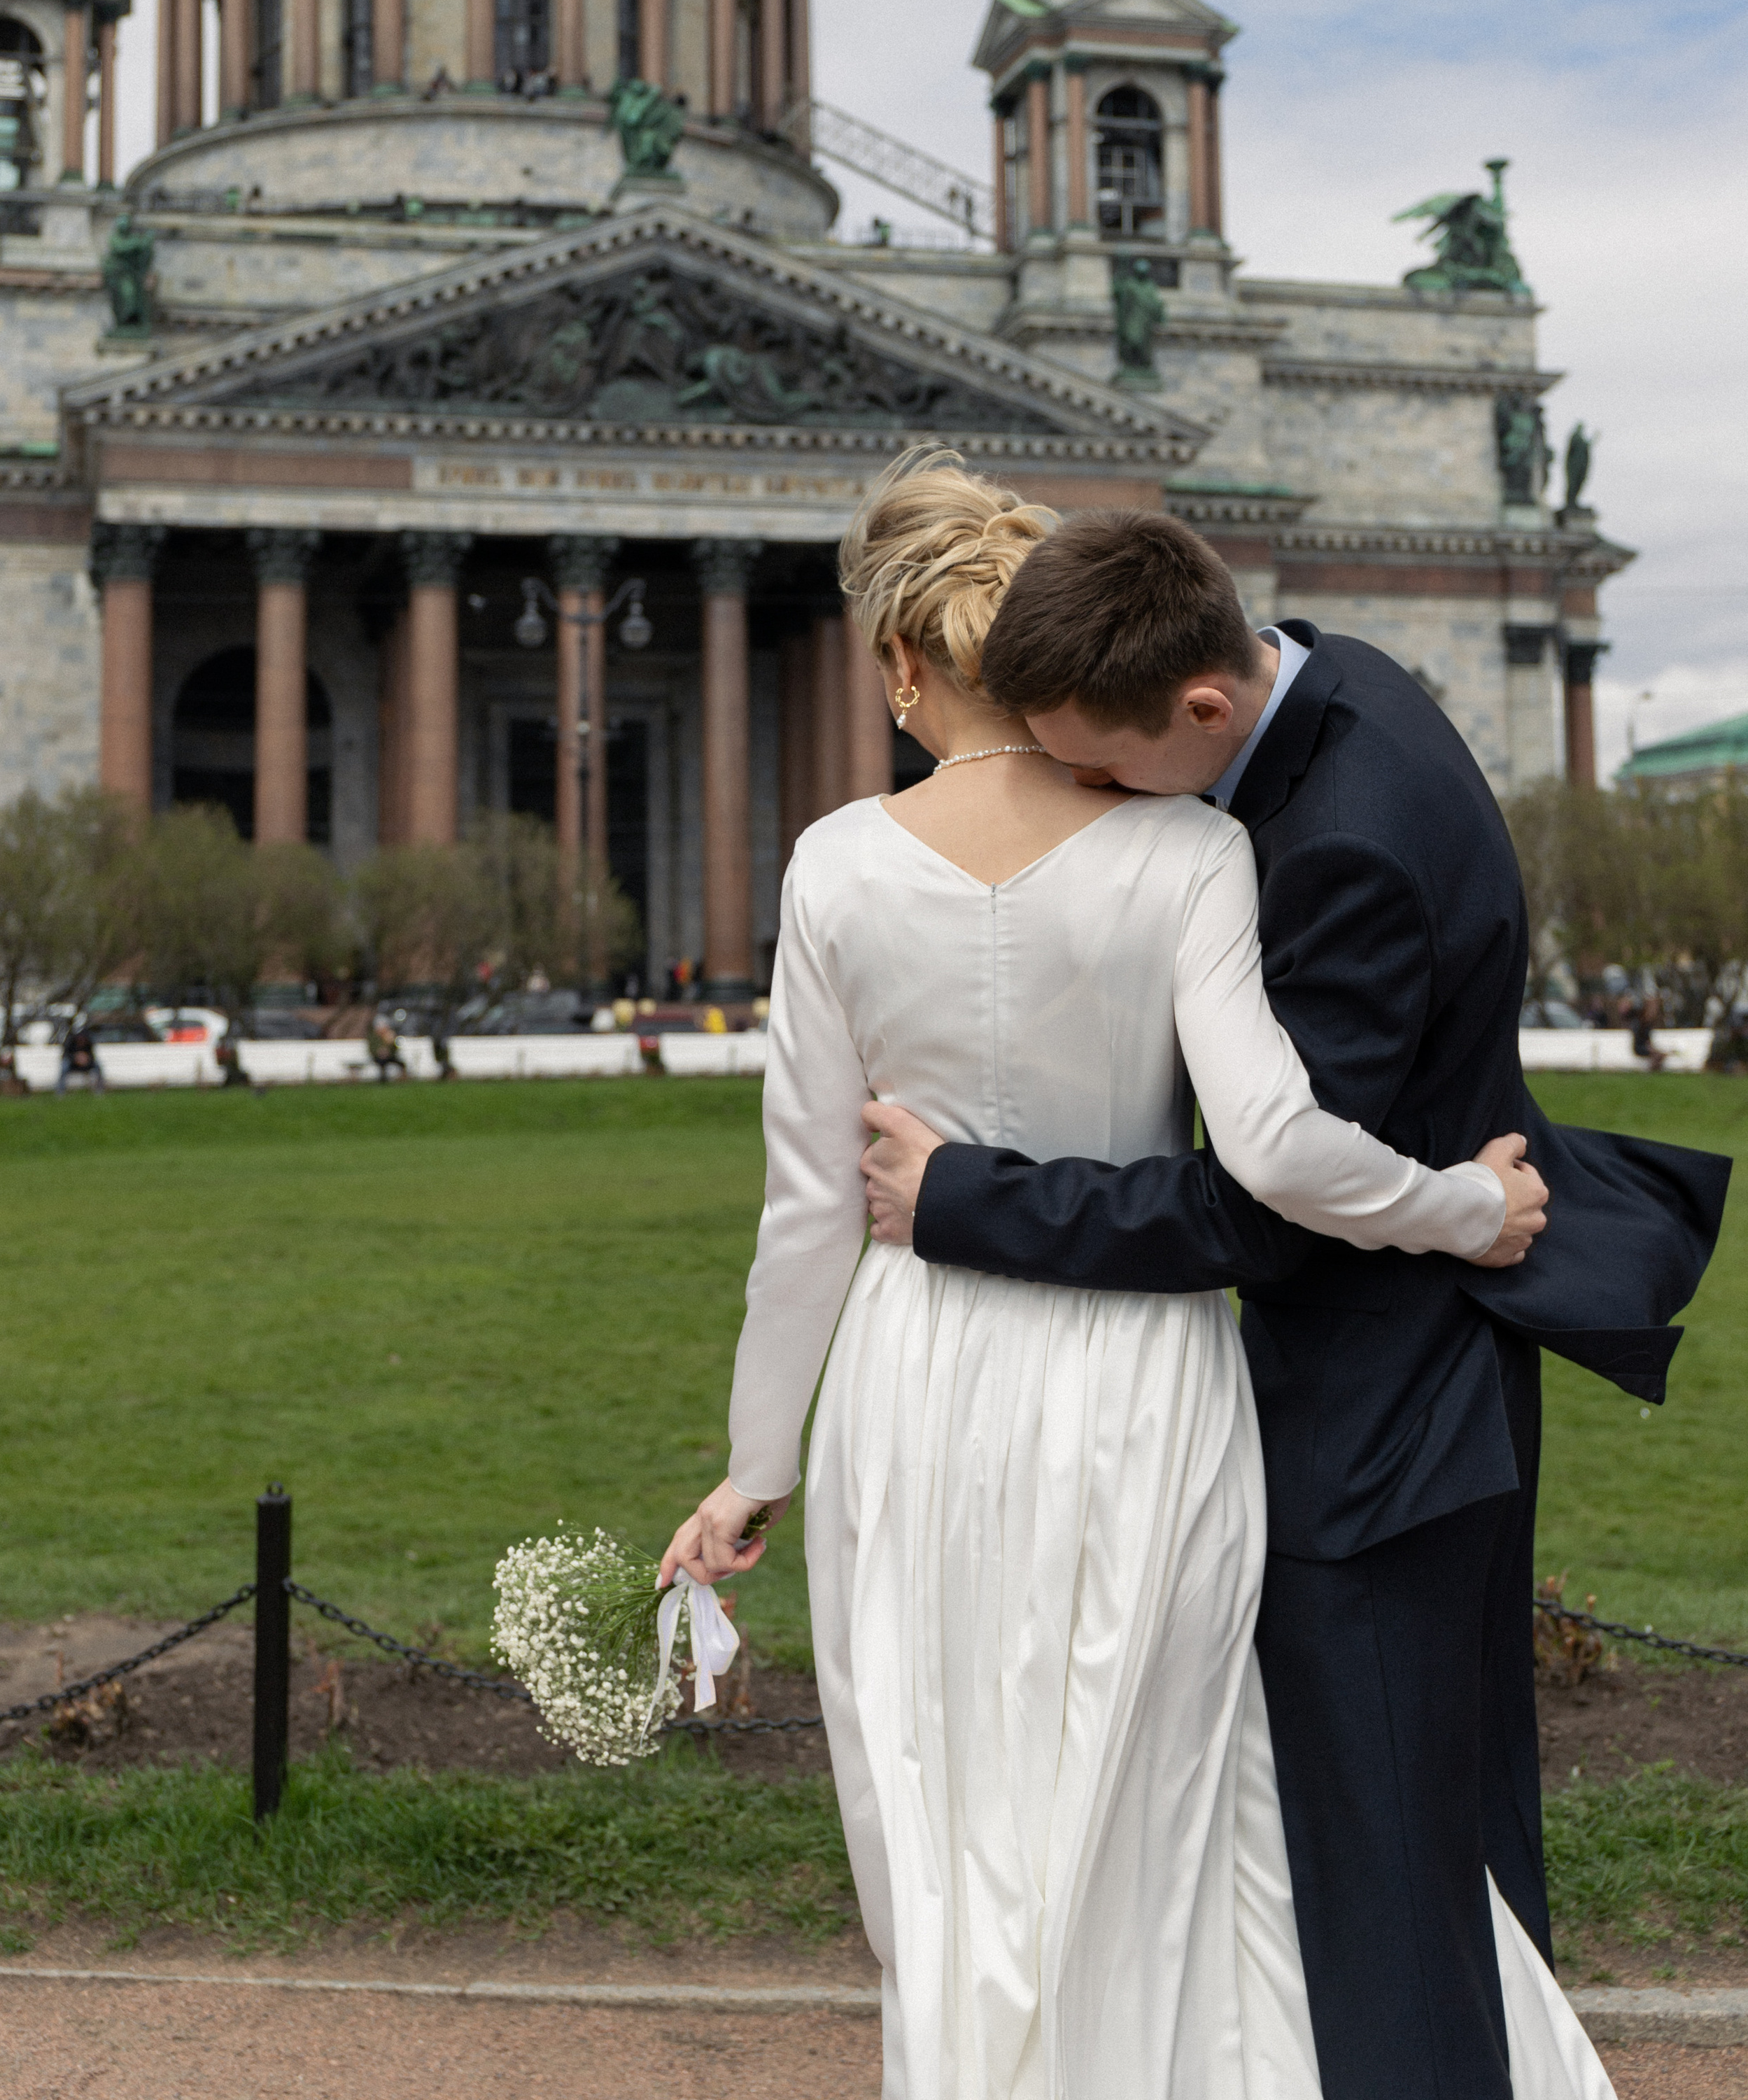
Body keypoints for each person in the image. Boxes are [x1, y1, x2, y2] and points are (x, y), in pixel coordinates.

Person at [662, 457, 1602, 2100]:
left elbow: (804, 1211)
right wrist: (1460, 1205)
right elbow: (1283, 1154)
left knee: (946, 1809)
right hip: (1149, 1384)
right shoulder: (1187, 842)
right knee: (1170, 1797)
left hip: (920, 1368)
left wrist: (754, 1469)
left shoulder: (828, 866)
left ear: (896, 663)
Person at [859, 499, 1729, 2099]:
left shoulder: (1339, 848)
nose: (1093, 805)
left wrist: (959, 1197)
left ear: (1197, 707)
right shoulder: (1337, 683)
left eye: (1105, 768)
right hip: (1428, 1388)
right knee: (1443, 1865)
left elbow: (1263, 1211)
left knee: (1384, 1885)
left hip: (1376, 1427)